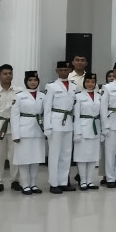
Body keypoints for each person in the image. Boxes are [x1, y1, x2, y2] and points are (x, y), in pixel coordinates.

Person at [44, 60, 77, 193]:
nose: (64, 72)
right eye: (61, 70)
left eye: (66, 70)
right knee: (54, 154)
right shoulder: (51, 86)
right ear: (57, 71)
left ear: (69, 71)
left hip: (68, 122)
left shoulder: (74, 87)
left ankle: (63, 181)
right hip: (55, 122)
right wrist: (47, 127)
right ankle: (53, 183)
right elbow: (46, 108)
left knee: (66, 154)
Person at [11, 71, 45, 195]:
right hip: (23, 131)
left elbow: (45, 114)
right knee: (24, 159)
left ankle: (33, 184)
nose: (33, 82)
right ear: (26, 81)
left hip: (38, 131)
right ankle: (25, 185)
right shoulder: (19, 96)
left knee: (36, 159)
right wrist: (16, 134)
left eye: (35, 80)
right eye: (30, 80)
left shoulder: (42, 95)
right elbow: (14, 116)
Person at [73, 73, 102, 190]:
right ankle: (83, 180)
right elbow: (76, 115)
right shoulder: (78, 96)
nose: (90, 84)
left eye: (93, 82)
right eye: (88, 82)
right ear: (84, 83)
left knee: (92, 156)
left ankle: (90, 180)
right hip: (83, 127)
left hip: (95, 127)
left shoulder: (99, 96)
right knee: (82, 156)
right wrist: (77, 132)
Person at [0, 64, 19, 192]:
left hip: (13, 126)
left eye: (10, 73)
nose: (8, 76)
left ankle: (15, 180)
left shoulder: (18, 91)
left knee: (14, 155)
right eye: (5, 74)